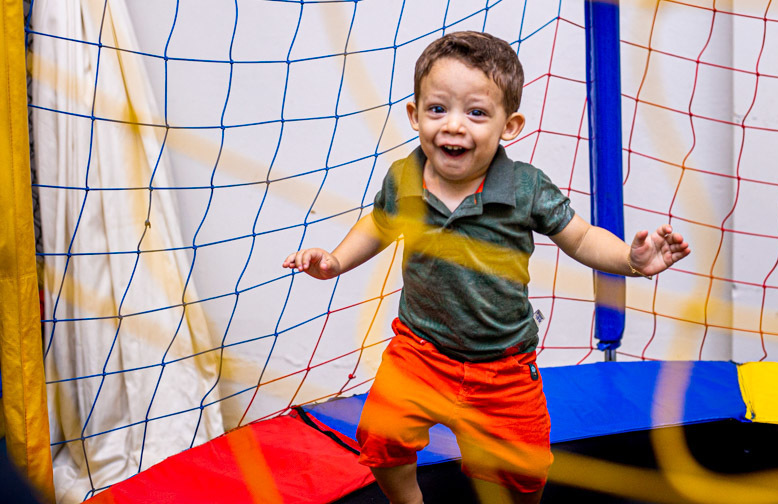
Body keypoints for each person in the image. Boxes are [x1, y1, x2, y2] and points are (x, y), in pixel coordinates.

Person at [283, 31, 690, 504]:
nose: (454, 125)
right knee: (381, 438)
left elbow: (579, 237)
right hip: (420, 351)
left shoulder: (525, 188)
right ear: (415, 116)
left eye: (476, 113)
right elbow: (378, 223)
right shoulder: (404, 178)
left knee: (523, 476)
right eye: (438, 109)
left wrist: (631, 261)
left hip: (502, 367)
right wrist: (336, 260)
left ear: (509, 125)